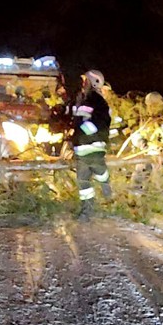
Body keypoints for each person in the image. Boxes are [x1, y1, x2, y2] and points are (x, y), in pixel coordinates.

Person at [72, 69, 113, 221]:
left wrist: (81, 132)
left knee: (93, 175)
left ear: (90, 82)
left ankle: (105, 192)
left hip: (90, 146)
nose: (82, 84)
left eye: (85, 81)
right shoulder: (90, 100)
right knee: (86, 182)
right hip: (86, 148)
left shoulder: (94, 100)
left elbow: (93, 122)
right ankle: (91, 210)